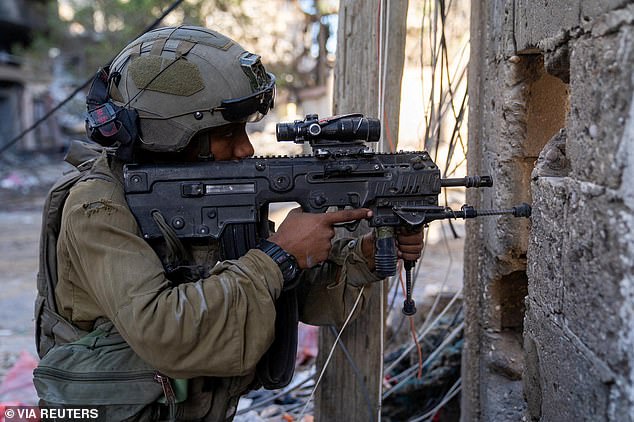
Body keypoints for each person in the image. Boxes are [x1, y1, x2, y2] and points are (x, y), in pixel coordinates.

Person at [34, 26, 423, 421]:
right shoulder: (97, 207)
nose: (246, 149)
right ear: (174, 135)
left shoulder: (201, 191)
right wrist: (280, 255)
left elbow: (272, 291)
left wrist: (363, 257)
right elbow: (164, 330)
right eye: (227, 134)